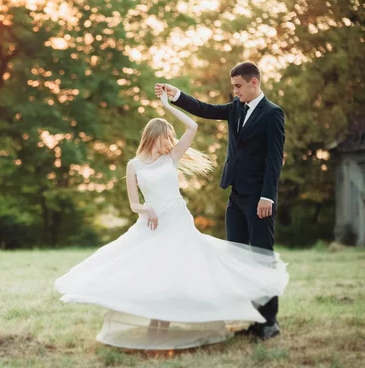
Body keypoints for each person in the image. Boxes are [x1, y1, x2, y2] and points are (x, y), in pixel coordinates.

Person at [54, 91, 289, 350]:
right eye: (166, 136)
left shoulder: (171, 157)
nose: (170, 140)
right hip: (153, 225)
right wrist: (146, 209)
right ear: (153, 136)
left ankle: (163, 331)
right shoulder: (133, 165)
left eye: (170, 137)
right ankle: (154, 329)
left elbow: (193, 125)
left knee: (175, 273)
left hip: (178, 223)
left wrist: (168, 105)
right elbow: (133, 203)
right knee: (151, 273)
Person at [155, 61, 286, 340]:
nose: (235, 91)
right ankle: (253, 319)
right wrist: (177, 96)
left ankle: (269, 322)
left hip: (258, 198)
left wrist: (267, 197)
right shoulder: (236, 108)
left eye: (239, 86)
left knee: (262, 257)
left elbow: (275, 160)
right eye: (233, 86)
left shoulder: (273, 114)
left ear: (254, 82)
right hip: (235, 195)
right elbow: (206, 110)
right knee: (238, 257)